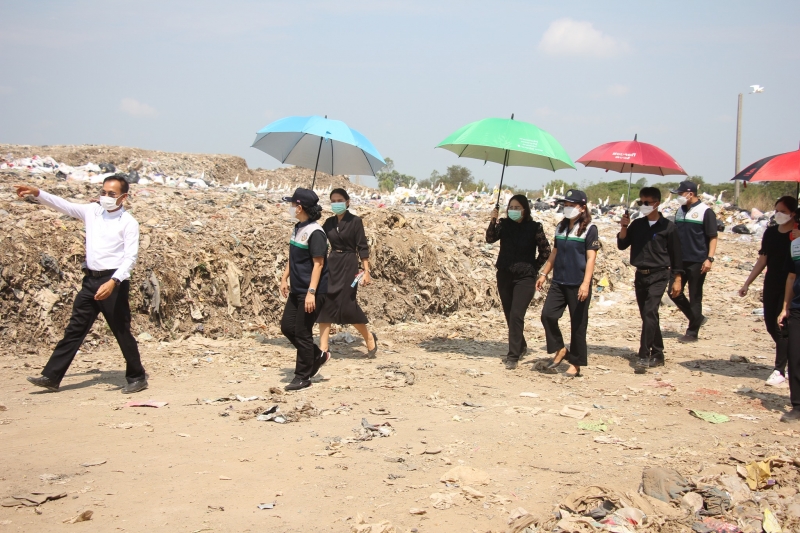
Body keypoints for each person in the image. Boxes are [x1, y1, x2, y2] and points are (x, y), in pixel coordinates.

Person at [14, 176, 147, 393]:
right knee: (75, 328)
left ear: (123, 197)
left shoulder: (128, 223)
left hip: (113, 282)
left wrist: (113, 282)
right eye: (103, 192)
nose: (105, 197)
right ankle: (51, 376)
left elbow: (130, 258)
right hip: (91, 281)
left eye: (111, 194)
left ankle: (137, 377)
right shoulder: (92, 212)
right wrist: (38, 193)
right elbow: (65, 206)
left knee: (121, 330)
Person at [617, 187, 683, 373]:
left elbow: (676, 255)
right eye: (641, 202)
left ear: (657, 204)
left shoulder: (668, 227)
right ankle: (658, 353)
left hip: (659, 275)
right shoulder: (637, 225)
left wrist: (677, 279)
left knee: (649, 312)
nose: (643, 206)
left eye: (647, 203)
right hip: (640, 275)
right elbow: (622, 245)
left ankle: (644, 355)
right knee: (649, 315)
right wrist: (624, 226)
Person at [537, 190, 599, 377]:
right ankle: (560, 348)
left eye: (572, 205)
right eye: (566, 205)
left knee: (578, 324)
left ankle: (576, 363)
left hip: (578, 283)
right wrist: (544, 273)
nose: (568, 208)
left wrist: (586, 283)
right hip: (559, 281)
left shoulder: (589, 229)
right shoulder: (561, 227)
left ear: (582, 207)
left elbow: (591, 258)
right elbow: (554, 253)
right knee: (547, 315)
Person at [486, 194, 551, 370]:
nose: (513, 210)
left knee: (517, 314)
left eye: (517, 208)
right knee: (509, 314)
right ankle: (521, 345)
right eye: (511, 207)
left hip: (525, 278)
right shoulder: (504, 225)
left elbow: (546, 250)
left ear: (525, 210)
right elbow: (490, 239)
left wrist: (533, 268)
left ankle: (513, 355)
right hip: (504, 275)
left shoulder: (534, 227)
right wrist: (493, 220)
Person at [739, 196, 798, 386]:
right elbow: (762, 260)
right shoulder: (771, 233)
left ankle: (779, 369)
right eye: (777, 210)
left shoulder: (797, 234)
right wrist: (747, 283)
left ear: (793, 214)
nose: (778, 214)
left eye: (783, 211)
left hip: (791, 284)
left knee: (782, 326)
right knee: (771, 325)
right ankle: (789, 358)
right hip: (772, 282)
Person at [279, 188, 331, 391]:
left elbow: (318, 264)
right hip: (297, 288)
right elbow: (293, 257)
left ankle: (303, 377)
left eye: (292, 204)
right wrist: (284, 278)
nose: (291, 208)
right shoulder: (298, 227)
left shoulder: (315, 233)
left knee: (302, 332)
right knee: (287, 327)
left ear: (300, 207)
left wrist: (311, 293)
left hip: (312, 291)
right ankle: (317, 355)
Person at [317, 188, 378, 357]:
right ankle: (323, 348)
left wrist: (366, 271)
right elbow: (319, 239)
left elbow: (362, 247)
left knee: (348, 304)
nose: (336, 204)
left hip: (350, 265)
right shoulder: (329, 222)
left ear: (347, 202)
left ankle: (369, 337)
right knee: (327, 301)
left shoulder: (355, 221)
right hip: (332, 263)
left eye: (339, 200)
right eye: (333, 201)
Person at [668, 181, 718, 342]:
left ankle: (692, 332)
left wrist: (709, 258)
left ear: (690, 194)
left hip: (697, 260)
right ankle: (696, 318)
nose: (678, 197)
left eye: (680, 194)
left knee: (695, 295)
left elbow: (713, 236)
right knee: (673, 292)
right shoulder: (679, 211)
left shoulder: (705, 211)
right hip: (679, 260)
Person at [777, 215, 800, 422]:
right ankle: (797, 405)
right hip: (798, 308)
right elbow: (791, 277)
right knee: (795, 355)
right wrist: (785, 307)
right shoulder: (795, 247)